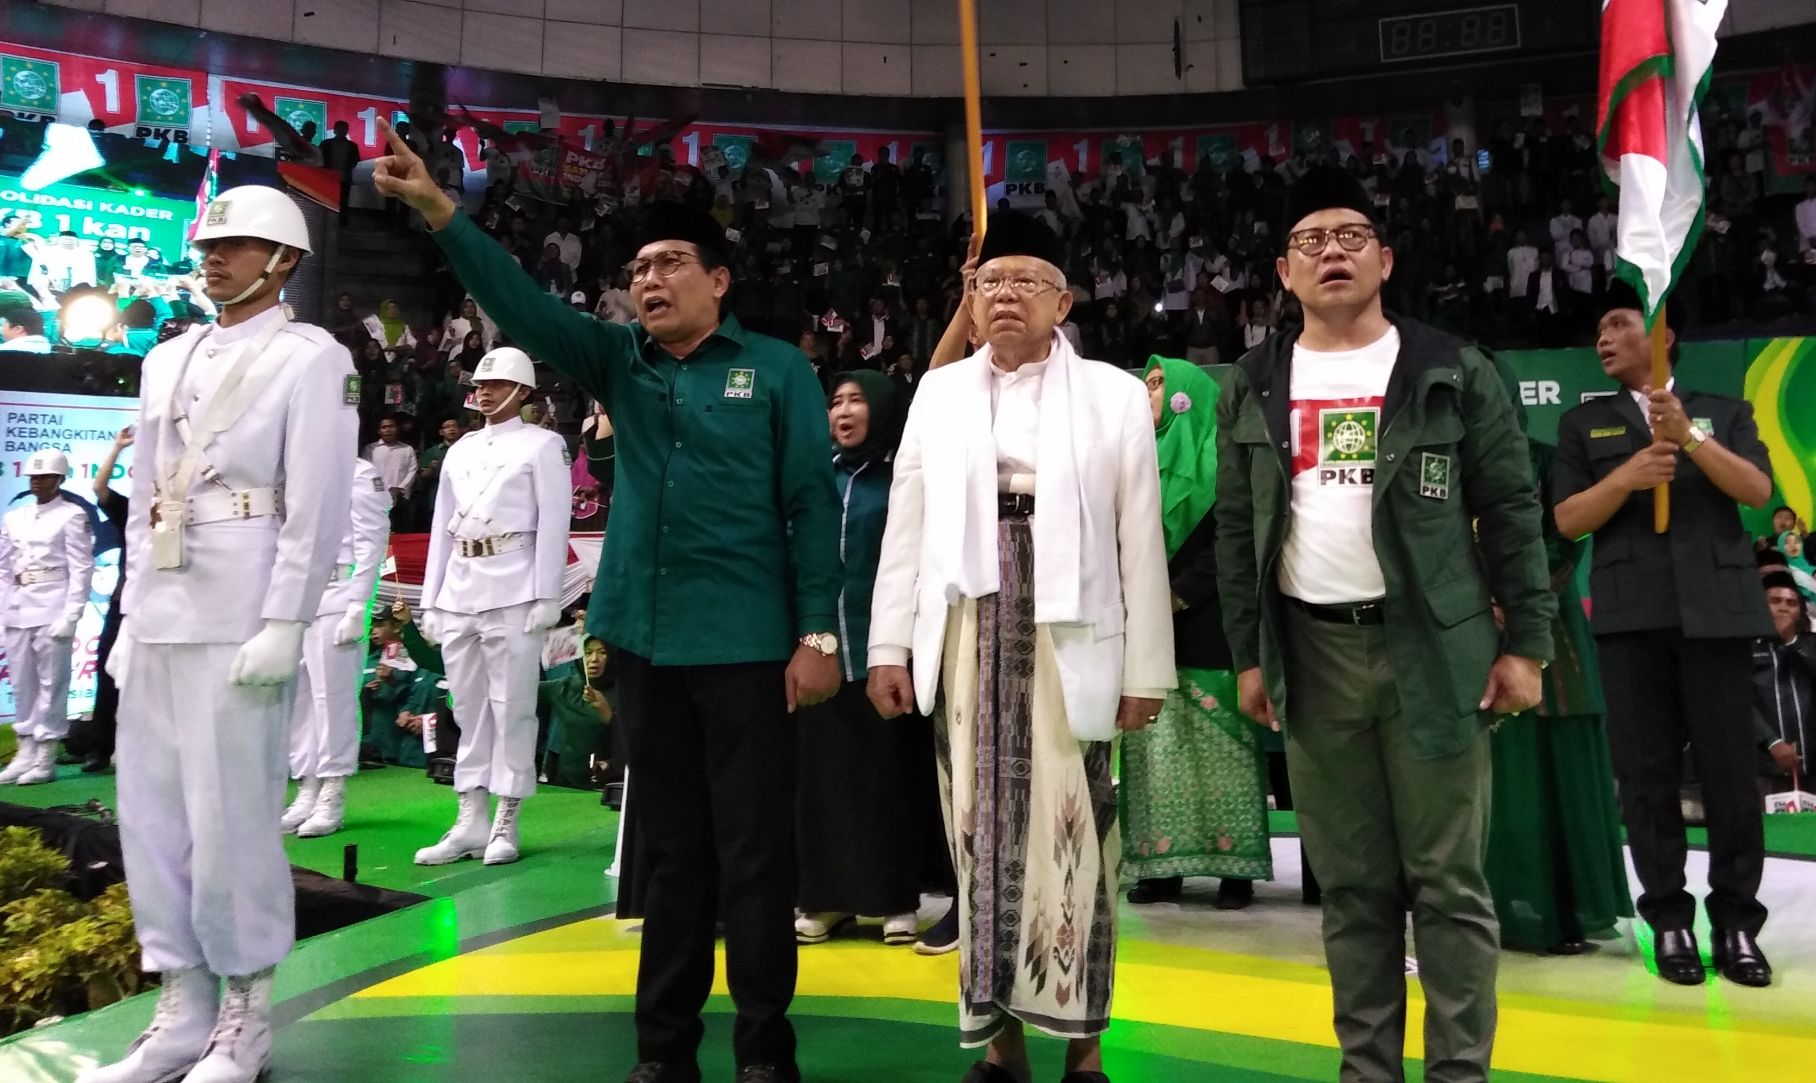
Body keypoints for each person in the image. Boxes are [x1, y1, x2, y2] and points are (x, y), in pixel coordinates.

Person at [377, 118, 841, 1083]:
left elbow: (809, 505)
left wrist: (817, 631)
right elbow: (517, 301)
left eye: (672, 261)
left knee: (757, 860)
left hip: (751, 647)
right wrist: (438, 211)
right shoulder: (618, 361)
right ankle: (662, 1055)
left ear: (719, 280)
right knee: (667, 860)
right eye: (638, 266)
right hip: (644, 644)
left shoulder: (781, 371)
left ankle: (765, 1053)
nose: (650, 279)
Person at [1213, 167, 1552, 1083]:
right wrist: (1249, 655)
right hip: (1312, 653)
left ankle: (1458, 1073)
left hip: (1435, 653)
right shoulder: (1251, 383)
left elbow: (1514, 508)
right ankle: (1368, 1070)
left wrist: (1527, 643)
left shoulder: (1452, 366)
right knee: (1352, 889)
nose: (1332, 249)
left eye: (1351, 235)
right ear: (1284, 272)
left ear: (1387, 260)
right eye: (1311, 240)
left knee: (1448, 882)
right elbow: (1239, 532)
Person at [866, 213, 1174, 1083]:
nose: (1005, 295)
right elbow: (909, 527)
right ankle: (999, 1047)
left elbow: (1138, 537)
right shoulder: (940, 392)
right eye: (990, 282)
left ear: (1062, 301)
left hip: (1073, 631)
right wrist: (889, 644)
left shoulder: (1113, 394)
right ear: (971, 298)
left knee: (1081, 836)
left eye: (1025, 281)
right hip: (967, 629)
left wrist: (1146, 666)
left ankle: (1083, 1051)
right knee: (977, 838)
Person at [83, 185, 356, 1083]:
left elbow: (314, 501)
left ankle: (246, 1015)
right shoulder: (167, 357)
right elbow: (149, 495)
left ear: (284, 261)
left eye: (236, 245)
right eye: (210, 244)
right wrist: (125, 618)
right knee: (152, 809)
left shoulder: (311, 358)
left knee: (232, 811)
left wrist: (287, 617)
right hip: (162, 602)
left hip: (242, 603)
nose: (213, 257)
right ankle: (181, 1006)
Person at [1553, 281, 1777, 988]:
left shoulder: (1723, 412)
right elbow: (1567, 519)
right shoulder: (1582, 427)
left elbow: (1755, 491)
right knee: (1645, 778)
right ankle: (1670, 919)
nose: (1604, 339)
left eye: (1619, 324)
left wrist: (1689, 437)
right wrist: (1629, 474)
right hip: (1629, 618)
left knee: (1731, 777)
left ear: (1662, 335)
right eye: (1600, 329)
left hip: (1717, 614)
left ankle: (1738, 922)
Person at [1484, 399, 1633, 955]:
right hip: (1464, 627)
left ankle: (1561, 914)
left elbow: (1566, 532)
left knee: (1553, 763)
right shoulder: (1442, 462)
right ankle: (1486, 911)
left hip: (1548, 631)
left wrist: (1513, 594)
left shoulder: (1547, 460)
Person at [1121, 358, 1271, 910]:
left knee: (1222, 747)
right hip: (1146, 624)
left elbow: (1232, 544)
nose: (1149, 391)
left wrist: (1178, 593)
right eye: (1147, 382)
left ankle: (1236, 871)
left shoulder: (1223, 462)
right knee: (1154, 746)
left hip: (1211, 620)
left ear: (1188, 393)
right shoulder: (1134, 462)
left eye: (1159, 383)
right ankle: (1162, 869)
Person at [414, 346, 571, 867]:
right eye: (480, 385)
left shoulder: (543, 446)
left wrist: (548, 593)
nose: (483, 392)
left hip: (513, 582)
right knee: (467, 707)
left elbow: (553, 522)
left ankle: (507, 816)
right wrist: (431, 597)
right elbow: (440, 528)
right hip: (461, 583)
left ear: (523, 392)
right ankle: (469, 817)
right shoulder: (458, 450)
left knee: (513, 707)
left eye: (497, 384)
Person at [794, 371, 926, 947]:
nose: (844, 412)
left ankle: (894, 900)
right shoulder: (812, 476)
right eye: (836, 402)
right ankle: (824, 900)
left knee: (885, 781)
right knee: (820, 782)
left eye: (857, 401)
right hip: (818, 652)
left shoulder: (902, 479)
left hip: (883, 654)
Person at [280, 456, 391, 838]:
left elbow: (372, 541)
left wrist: (359, 605)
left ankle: (333, 789)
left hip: (339, 592)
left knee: (333, 698)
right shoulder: (295, 471)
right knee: (300, 698)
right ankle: (307, 784)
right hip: (299, 596)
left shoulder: (357, 473)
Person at [0, 448, 95, 786]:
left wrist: (72, 614)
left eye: (45, 477)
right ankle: (25, 751)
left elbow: (82, 569)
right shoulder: (15, 517)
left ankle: (45, 757)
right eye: (33, 477)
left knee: (52, 684)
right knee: (21, 682)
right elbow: (4, 568)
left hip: (53, 606)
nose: (38, 482)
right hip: (18, 608)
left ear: (59, 479)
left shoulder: (72, 515)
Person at [1754, 570, 1815, 793]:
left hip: (1811, 768)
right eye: (1775, 601)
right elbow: (1739, 701)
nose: (1784, 608)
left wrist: (1791, 641)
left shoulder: (1810, 645)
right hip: (1764, 769)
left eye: (1791, 602)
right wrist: (1771, 742)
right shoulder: (1745, 648)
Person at [538, 634, 615, 788]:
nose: (594, 659)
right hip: (565, 785)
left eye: (602, 652)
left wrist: (611, 765)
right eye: (588, 652)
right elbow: (518, 688)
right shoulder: (564, 687)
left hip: (609, 786)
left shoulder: (628, 693)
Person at [363, 416, 418, 530]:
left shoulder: (407, 449)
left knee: (401, 532)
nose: (388, 430)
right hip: (377, 497)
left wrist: (401, 488)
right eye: (384, 427)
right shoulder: (370, 449)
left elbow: (412, 470)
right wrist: (386, 489)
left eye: (391, 426)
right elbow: (368, 472)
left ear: (397, 428)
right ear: (379, 431)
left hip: (402, 498)